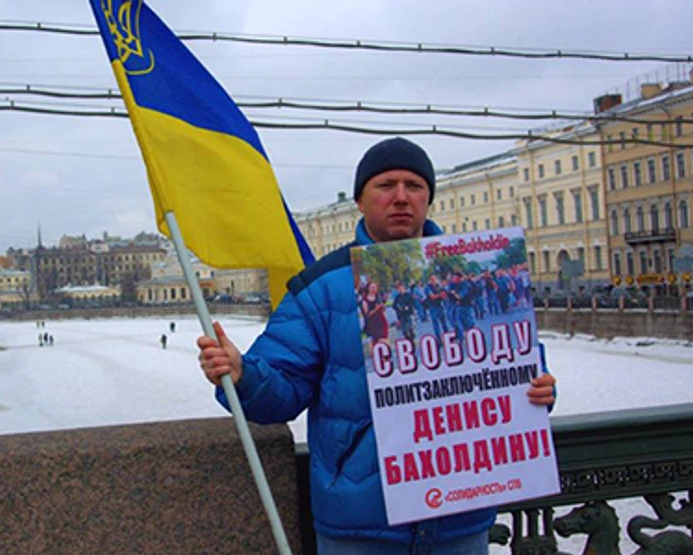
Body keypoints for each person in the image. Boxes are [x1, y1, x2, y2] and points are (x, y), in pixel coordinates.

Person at [196, 137, 556, 555]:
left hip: (459, 520)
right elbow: (282, 392)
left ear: (428, 199)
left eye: (414, 186)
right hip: (361, 529)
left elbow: (515, 373)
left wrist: (539, 391)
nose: (401, 197)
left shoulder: (479, 272)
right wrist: (244, 375)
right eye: (385, 185)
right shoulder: (321, 288)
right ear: (360, 201)